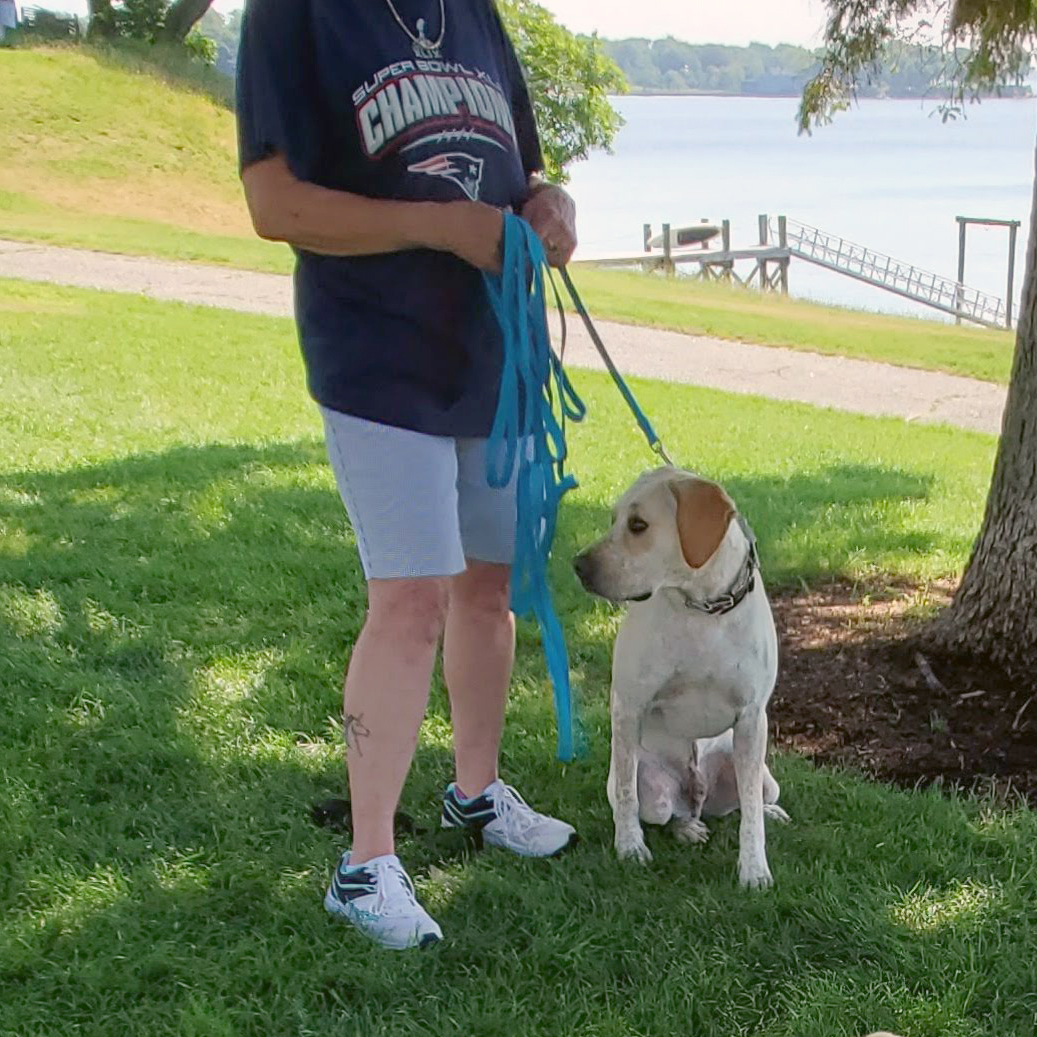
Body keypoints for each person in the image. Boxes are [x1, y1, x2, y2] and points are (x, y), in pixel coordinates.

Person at [235, 0, 580, 951]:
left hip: (492, 357)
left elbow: (525, 166)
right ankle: (364, 865)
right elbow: (277, 205)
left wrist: (551, 206)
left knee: (487, 586)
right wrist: (437, 228)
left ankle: (474, 792)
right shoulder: (293, 16)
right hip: (377, 360)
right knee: (410, 599)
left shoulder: (472, 13)